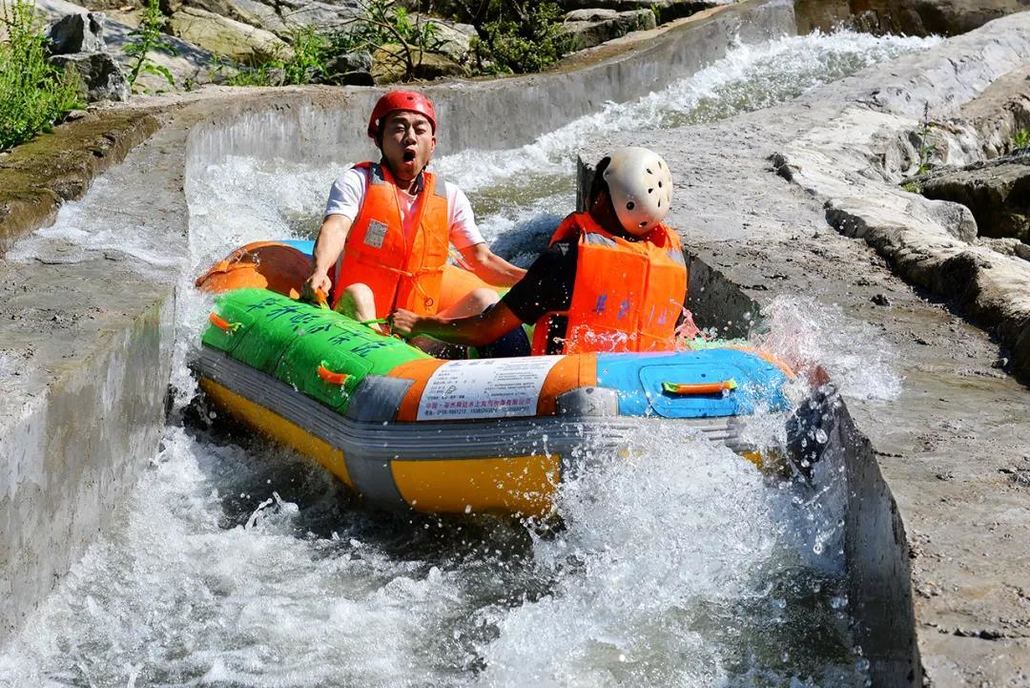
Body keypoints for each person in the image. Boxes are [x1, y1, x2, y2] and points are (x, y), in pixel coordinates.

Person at [390, 146, 687, 355]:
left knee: (488, 311)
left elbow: (487, 329)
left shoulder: (567, 257)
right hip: (639, 385)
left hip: (561, 386)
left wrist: (421, 323)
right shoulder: (670, 260)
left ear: (600, 197)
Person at [301, 90, 526, 325]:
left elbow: (483, 260)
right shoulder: (357, 181)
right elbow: (335, 228)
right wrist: (320, 270)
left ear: (433, 144)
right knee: (359, 293)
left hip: (417, 329)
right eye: (399, 128)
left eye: (420, 130)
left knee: (485, 299)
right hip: (358, 322)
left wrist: (536, 279)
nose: (410, 137)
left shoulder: (450, 197)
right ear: (378, 139)